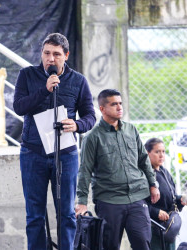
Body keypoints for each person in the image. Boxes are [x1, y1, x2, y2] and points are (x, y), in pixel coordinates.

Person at [13, 33, 96, 250]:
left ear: (66, 56)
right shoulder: (27, 75)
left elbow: (90, 116)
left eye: (56, 54)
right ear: (41, 54)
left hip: (66, 154)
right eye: (47, 53)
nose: (51, 58)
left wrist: (77, 125)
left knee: (67, 214)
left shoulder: (78, 81)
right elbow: (19, 107)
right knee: (34, 215)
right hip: (33, 153)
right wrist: (44, 90)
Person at [75, 89, 161, 250]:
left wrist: (153, 184)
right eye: (114, 104)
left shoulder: (131, 130)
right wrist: (82, 202)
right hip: (109, 201)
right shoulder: (92, 138)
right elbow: (84, 171)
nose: (119, 107)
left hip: (137, 198)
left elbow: (143, 159)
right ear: (102, 109)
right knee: (109, 246)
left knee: (143, 243)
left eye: (120, 103)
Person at [145, 138, 186, 250]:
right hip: (153, 228)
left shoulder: (164, 172)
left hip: (169, 228)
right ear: (147, 153)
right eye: (157, 152)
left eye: (163, 151)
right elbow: (137, 202)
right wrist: (156, 212)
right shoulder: (143, 175)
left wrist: (181, 200)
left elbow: (171, 198)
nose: (161, 155)